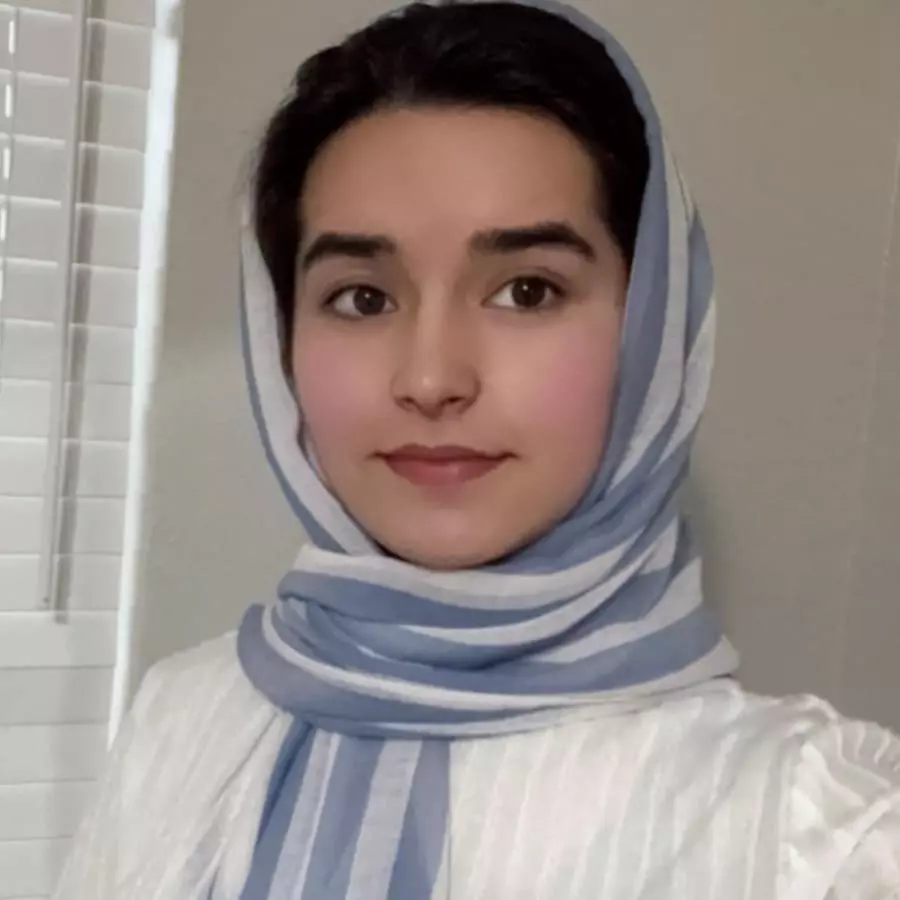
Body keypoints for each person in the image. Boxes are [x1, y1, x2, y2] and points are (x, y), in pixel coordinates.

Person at [53, 2, 900, 898]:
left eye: (527, 291)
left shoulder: (820, 831)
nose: (431, 379)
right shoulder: (182, 721)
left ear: (656, 326)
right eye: (362, 298)